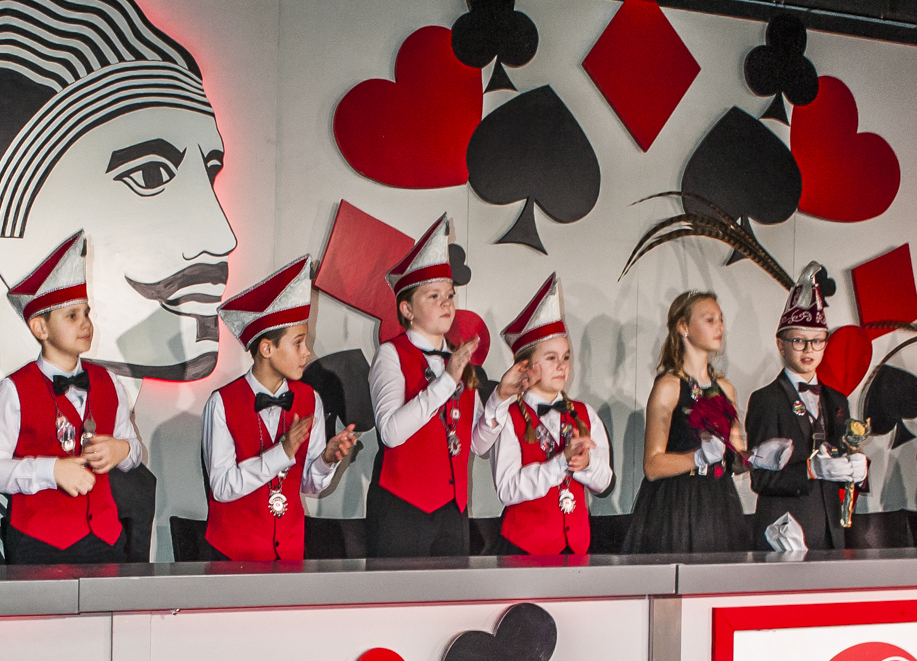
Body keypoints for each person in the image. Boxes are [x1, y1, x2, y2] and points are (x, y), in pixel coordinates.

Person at [0, 231, 147, 564]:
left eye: (86, 313)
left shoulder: (109, 382)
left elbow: (133, 450)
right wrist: (49, 471)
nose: (85, 324)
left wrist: (122, 449)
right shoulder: (14, 390)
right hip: (38, 543)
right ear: (40, 329)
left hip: (106, 538)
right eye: (72, 316)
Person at [365, 216, 518, 558]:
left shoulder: (459, 360)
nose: (447, 303)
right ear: (407, 309)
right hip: (401, 511)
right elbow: (390, 432)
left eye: (450, 295)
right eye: (434, 296)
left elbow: (477, 445)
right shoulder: (391, 354)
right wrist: (447, 380)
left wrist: (500, 400)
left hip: (452, 512)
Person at [201, 256, 359, 561]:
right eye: (298, 343)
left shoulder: (310, 398)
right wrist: (282, 452)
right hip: (233, 556)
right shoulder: (221, 402)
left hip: (289, 552)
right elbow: (221, 487)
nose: (307, 352)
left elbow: (308, 485)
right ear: (267, 348)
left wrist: (326, 460)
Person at [481, 275, 613, 555]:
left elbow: (604, 483)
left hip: (576, 549)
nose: (562, 366)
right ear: (526, 366)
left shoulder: (585, 413)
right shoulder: (509, 416)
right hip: (524, 550)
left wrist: (586, 464)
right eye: (551, 358)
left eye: (566, 357)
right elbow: (507, 489)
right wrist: (559, 463)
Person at [745, 265, 864, 551]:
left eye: (817, 341)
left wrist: (857, 470)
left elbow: (840, 458)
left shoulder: (837, 400)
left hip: (831, 531)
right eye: (798, 340)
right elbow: (761, 478)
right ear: (781, 344)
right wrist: (810, 469)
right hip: (783, 532)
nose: (809, 349)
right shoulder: (766, 399)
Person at [624, 291, 752, 554]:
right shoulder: (668, 386)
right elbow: (652, 465)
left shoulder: (725, 388)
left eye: (721, 320)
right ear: (683, 327)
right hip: (676, 503)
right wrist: (698, 457)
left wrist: (759, 458)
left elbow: (736, 458)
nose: (719, 327)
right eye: (710, 320)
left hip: (718, 501)